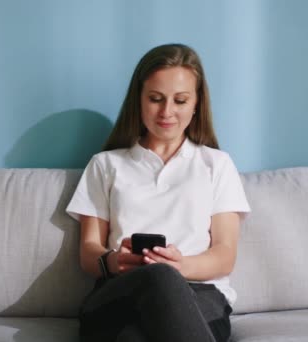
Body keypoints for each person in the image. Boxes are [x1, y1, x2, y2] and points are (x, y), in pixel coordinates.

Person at [66, 43, 250, 342]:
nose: (167, 112)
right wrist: (113, 261)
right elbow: (89, 251)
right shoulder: (106, 165)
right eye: (155, 99)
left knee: (138, 328)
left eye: (180, 100)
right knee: (155, 280)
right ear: (138, 100)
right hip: (120, 292)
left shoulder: (216, 165)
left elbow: (224, 254)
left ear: (196, 103)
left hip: (199, 295)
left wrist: (179, 267)